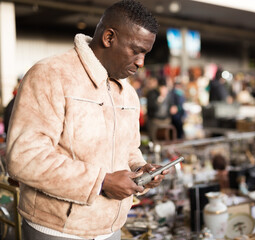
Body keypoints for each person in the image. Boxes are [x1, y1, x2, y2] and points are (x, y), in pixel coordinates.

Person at [5, 1, 170, 239]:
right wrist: (101, 181)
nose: (141, 62)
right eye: (135, 50)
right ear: (109, 37)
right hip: (57, 230)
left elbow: (129, 149)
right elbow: (24, 158)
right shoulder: (50, 74)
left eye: (145, 53)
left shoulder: (128, 92)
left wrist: (139, 169)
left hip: (111, 228)